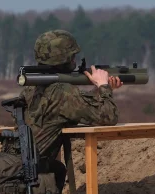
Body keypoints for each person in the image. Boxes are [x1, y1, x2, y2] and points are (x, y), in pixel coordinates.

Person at [18, 29, 123, 192]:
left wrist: (104, 90)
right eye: (73, 56)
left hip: (18, 171)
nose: (75, 60)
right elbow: (109, 118)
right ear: (65, 59)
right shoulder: (62, 91)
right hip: (34, 178)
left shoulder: (31, 88)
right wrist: (103, 86)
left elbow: (77, 106)